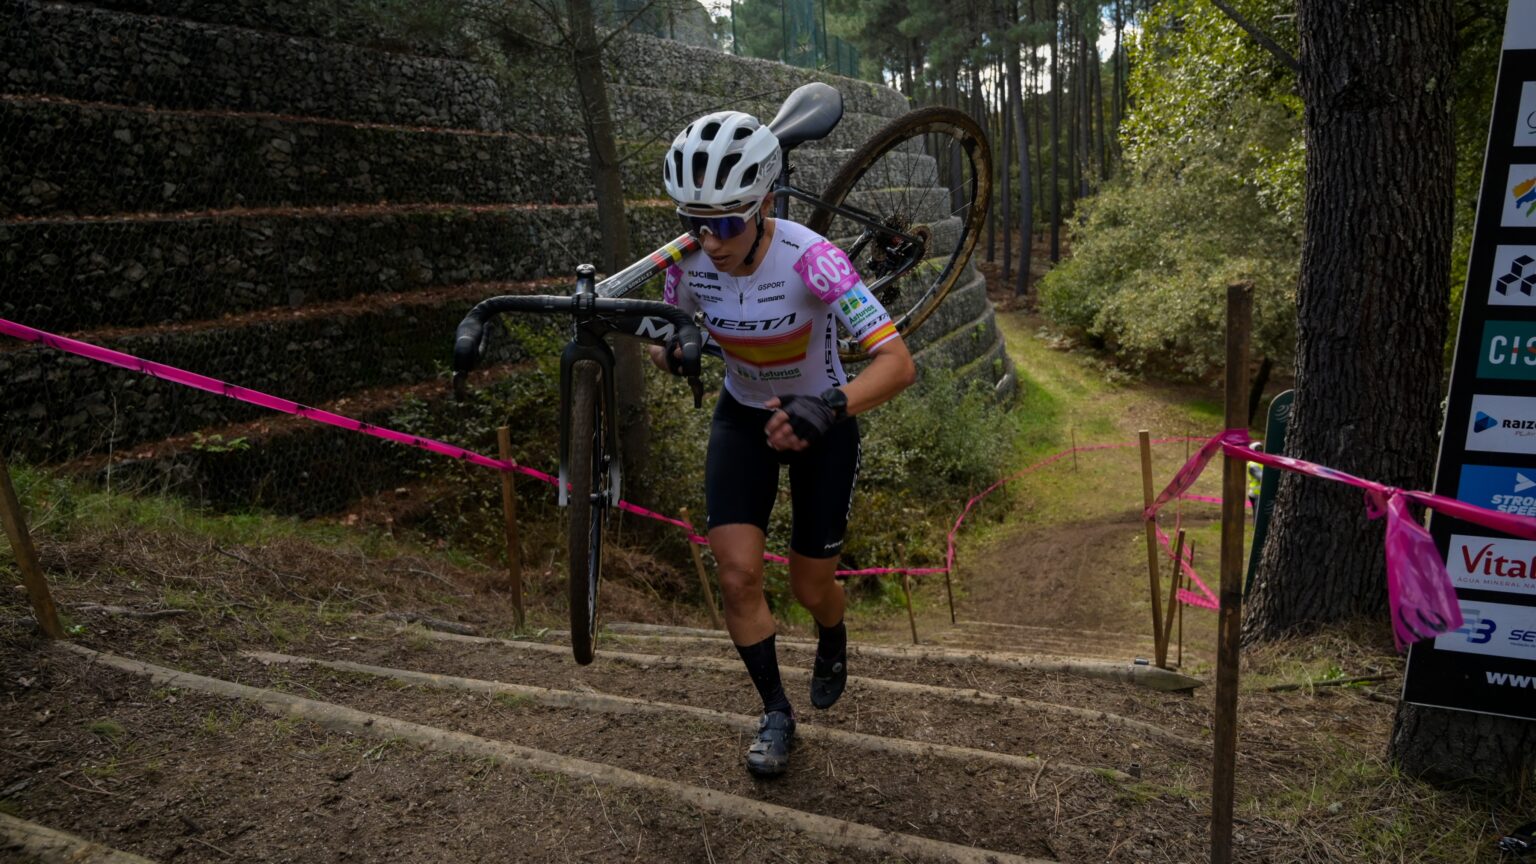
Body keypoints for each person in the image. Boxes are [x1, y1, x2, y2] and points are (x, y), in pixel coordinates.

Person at [649, 111, 916, 777]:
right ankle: (776, 713)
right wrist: (672, 351)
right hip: (742, 419)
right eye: (693, 222)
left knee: (809, 585)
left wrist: (830, 405)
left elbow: (897, 364)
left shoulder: (814, 260)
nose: (708, 241)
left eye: (726, 224)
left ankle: (832, 633)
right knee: (737, 575)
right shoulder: (687, 262)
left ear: (764, 205)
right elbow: (667, 334)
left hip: (822, 422)